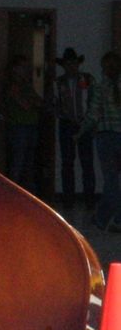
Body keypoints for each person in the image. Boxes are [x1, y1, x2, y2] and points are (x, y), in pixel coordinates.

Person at [76, 50, 121, 231]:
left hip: (106, 138)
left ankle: (108, 218)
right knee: (115, 182)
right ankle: (106, 218)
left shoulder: (101, 87)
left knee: (110, 181)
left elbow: (93, 115)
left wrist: (80, 133)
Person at [54, 47, 96, 209]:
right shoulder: (58, 82)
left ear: (78, 65)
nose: (71, 67)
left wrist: (90, 121)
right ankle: (68, 200)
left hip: (85, 124)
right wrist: (63, 114)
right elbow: (55, 103)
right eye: (68, 64)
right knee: (67, 162)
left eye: (74, 64)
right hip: (66, 124)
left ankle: (90, 199)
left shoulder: (88, 79)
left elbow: (94, 100)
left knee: (87, 162)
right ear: (64, 66)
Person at [4, 54, 43, 191]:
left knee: (29, 163)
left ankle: (28, 193)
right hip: (19, 128)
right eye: (23, 67)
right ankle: (12, 192)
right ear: (15, 69)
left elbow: (39, 101)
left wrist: (33, 101)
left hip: (31, 125)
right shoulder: (13, 86)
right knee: (18, 162)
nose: (26, 69)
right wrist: (32, 101)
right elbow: (25, 104)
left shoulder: (27, 85)